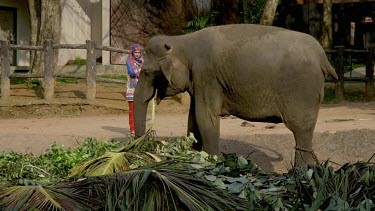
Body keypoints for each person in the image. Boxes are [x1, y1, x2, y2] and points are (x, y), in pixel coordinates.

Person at [125, 44, 143, 136]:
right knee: (132, 109)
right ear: (132, 52)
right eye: (135, 52)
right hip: (132, 88)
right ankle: (132, 129)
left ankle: (139, 129)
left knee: (140, 109)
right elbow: (132, 72)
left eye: (138, 52)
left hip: (141, 88)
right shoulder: (129, 61)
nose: (136, 54)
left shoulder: (143, 61)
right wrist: (140, 71)